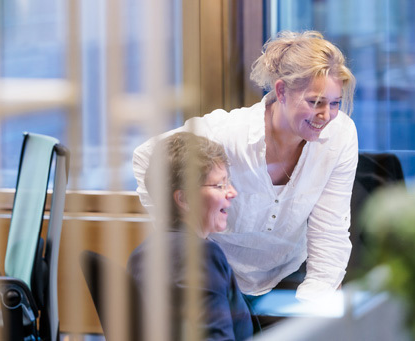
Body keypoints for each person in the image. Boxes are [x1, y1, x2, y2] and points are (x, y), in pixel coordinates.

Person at [132, 30, 358, 302]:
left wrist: (314, 303)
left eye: (334, 104)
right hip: (219, 275)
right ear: (282, 91)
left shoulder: (340, 135)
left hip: (288, 272)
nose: (326, 115)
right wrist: (184, 240)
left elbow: (330, 230)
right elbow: (147, 157)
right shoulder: (229, 134)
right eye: (315, 102)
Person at [127, 132, 253, 341]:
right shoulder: (200, 255)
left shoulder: (144, 252)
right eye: (219, 185)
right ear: (184, 199)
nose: (231, 192)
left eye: (228, 182)